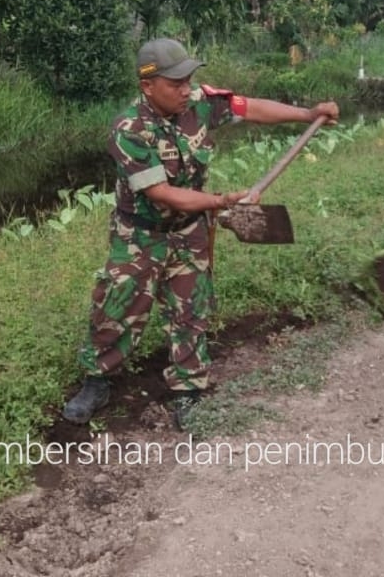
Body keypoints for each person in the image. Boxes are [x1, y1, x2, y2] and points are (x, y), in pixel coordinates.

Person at [63, 38, 340, 428]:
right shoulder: (129, 130)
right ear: (147, 86)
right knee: (118, 304)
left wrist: (307, 112)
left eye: (188, 80)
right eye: (175, 83)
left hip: (190, 231)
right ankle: (98, 380)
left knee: (191, 309)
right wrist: (222, 200)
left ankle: (188, 389)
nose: (185, 89)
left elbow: (250, 107)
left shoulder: (200, 103)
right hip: (140, 234)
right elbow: (163, 194)